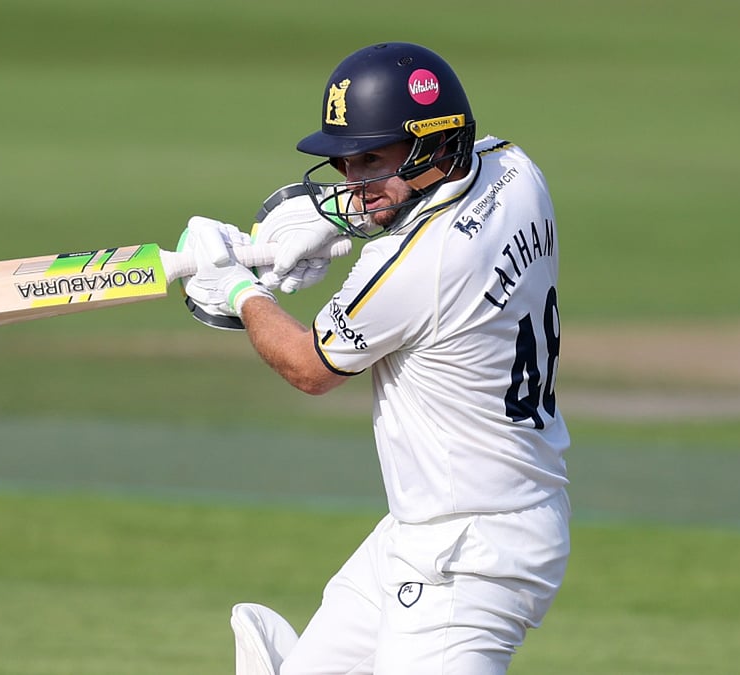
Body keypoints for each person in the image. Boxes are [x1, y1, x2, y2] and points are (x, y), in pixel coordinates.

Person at [179, 42, 570, 675]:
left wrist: (235, 288)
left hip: (469, 556)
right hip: (432, 528)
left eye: (372, 159)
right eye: (345, 163)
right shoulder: (516, 170)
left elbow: (309, 367)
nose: (354, 182)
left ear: (432, 148)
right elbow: (434, 208)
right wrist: (333, 226)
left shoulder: (417, 265)